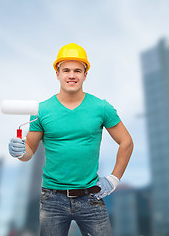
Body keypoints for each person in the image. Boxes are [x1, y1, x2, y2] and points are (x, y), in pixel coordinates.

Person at [8, 43, 134, 236]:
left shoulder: (101, 107)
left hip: (91, 196)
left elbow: (126, 142)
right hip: (52, 199)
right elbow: (30, 150)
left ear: (85, 74)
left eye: (77, 70)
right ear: (57, 74)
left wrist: (114, 180)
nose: (72, 75)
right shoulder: (41, 111)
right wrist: (20, 151)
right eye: (66, 70)